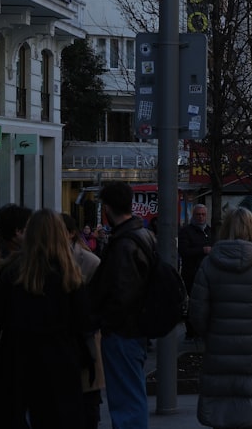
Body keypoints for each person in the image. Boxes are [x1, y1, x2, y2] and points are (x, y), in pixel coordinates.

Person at [0, 209, 93, 428]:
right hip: (60, 358)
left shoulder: (11, 271)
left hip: (18, 357)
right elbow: (84, 321)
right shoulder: (69, 275)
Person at [189, 207, 252, 429]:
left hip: (220, 349)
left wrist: (212, 334)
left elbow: (197, 314)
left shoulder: (209, 264)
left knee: (222, 412)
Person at [89, 181, 154, 429]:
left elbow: (121, 293)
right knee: (131, 395)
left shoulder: (124, 243)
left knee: (125, 399)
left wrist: (105, 322)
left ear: (107, 208)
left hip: (122, 332)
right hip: (133, 330)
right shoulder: (142, 235)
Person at [63, 214, 104, 429]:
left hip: (85, 341)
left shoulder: (89, 261)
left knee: (88, 401)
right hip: (64, 342)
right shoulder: (45, 261)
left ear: (70, 233)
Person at [179, 203, 213, 338]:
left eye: (203, 214)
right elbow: (183, 251)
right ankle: (191, 331)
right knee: (192, 303)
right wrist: (202, 250)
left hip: (207, 273)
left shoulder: (209, 231)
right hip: (191, 273)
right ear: (193, 216)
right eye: (198, 214)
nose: (201, 217)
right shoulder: (186, 231)